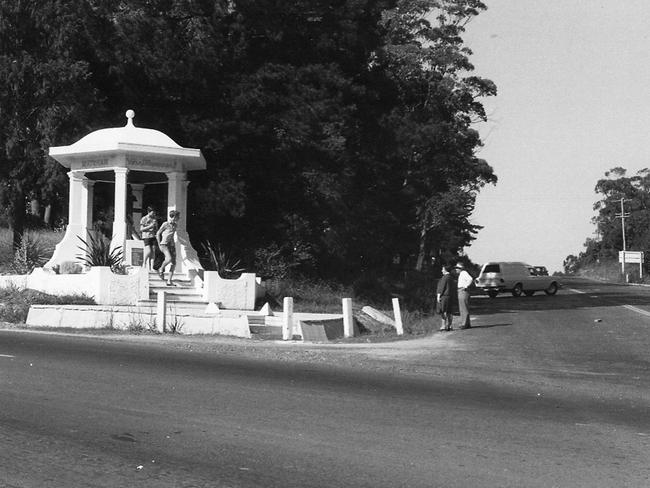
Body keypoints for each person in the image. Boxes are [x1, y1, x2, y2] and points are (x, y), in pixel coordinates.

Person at [155, 210, 180, 286]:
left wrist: (173, 245)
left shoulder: (175, 225)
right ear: (174, 217)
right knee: (168, 259)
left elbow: (172, 235)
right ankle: (161, 268)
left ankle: (169, 280)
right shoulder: (165, 224)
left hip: (171, 245)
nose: (179, 218)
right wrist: (159, 244)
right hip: (164, 244)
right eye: (178, 217)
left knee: (173, 263)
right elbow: (158, 233)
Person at [436, 265, 456, 331]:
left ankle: (443, 326)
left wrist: (439, 295)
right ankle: (450, 325)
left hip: (445, 296)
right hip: (451, 296)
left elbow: (442, 287)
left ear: (445, 270)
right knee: (450, 311)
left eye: (443, 269)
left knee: (443, 311)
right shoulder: (451, 277)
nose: (442, 270)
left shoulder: (444, 277)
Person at [455, 262, 473, 329]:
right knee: (463, 307)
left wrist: (465, 286)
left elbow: (470, 279)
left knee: (463, 308)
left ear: (460, 268)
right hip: (461, 290)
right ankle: (466, 323)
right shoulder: (461, 274)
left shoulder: (464, 273)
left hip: (463, 291)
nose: (456, 269)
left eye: (457, 268)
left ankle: (464, 324)